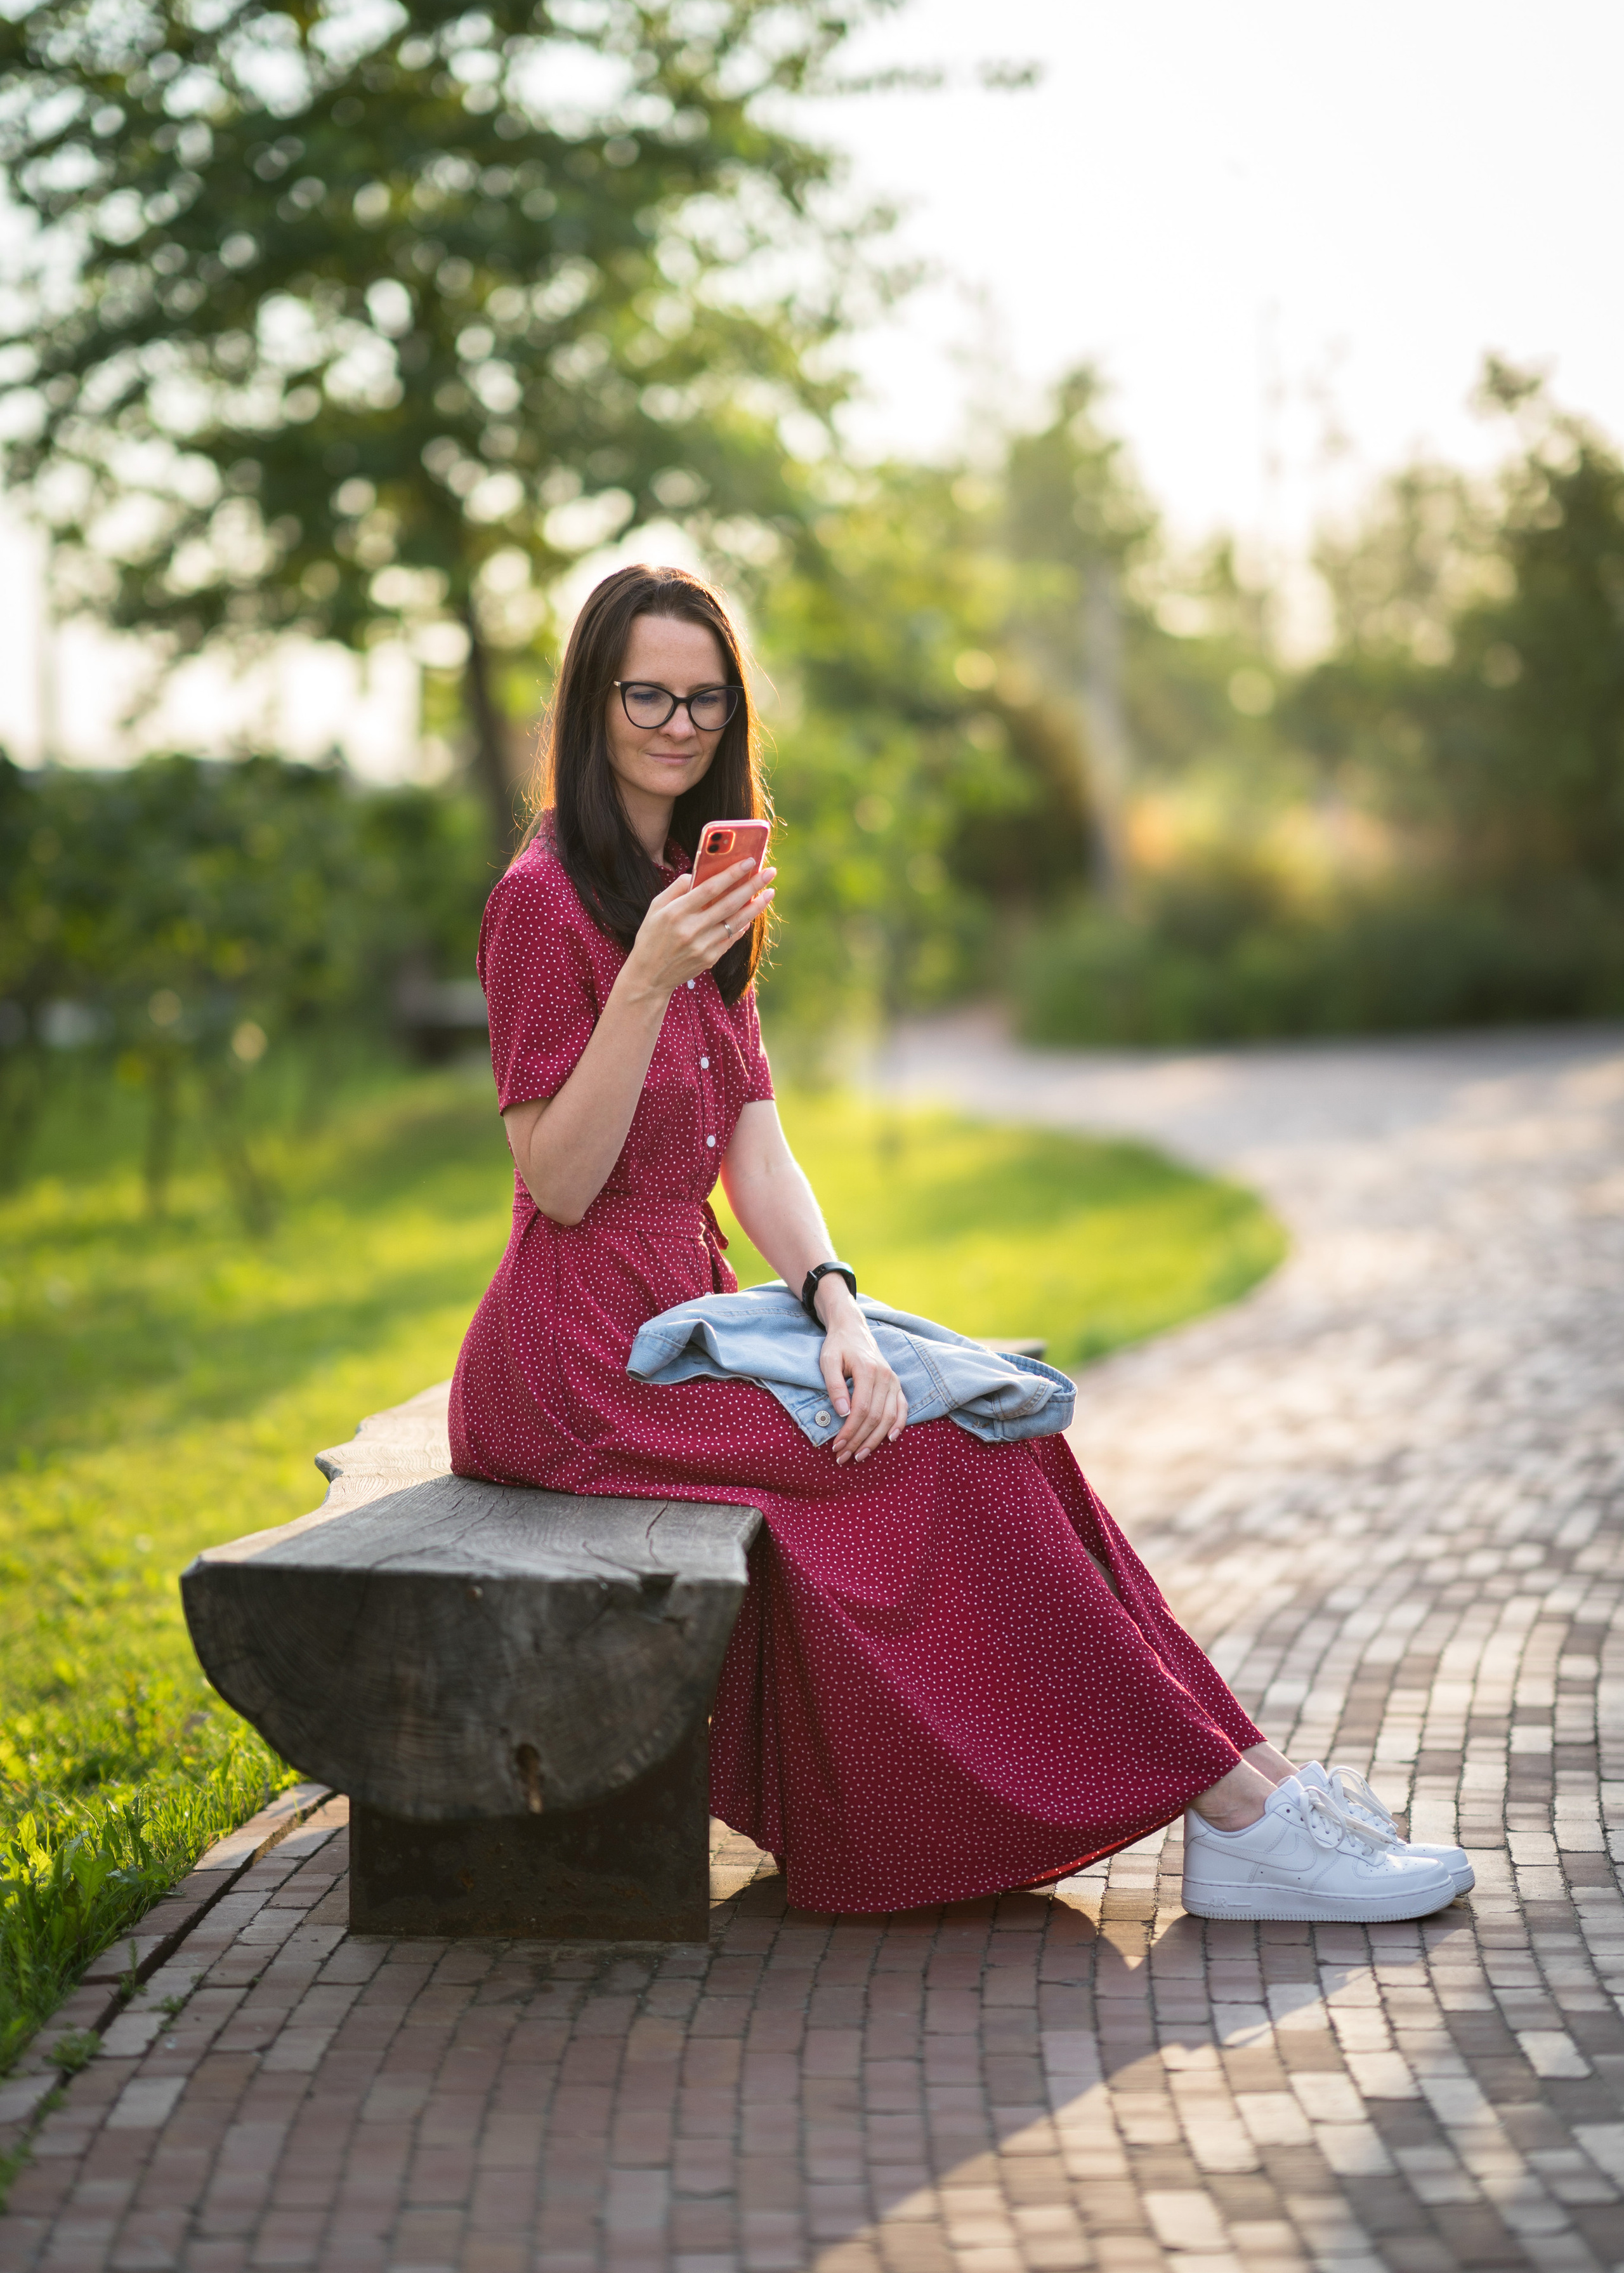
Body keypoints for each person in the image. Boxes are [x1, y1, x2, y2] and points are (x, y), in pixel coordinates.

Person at [449, 563, 1465, 1925]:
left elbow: (755, 1135)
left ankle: (1247, 1786)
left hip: (689, 1317)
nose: (678, 724)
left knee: (996, 1419)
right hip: (580, 1370)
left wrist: (836, 1307)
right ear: (591, 700)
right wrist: (644, 976)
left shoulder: (695, 879)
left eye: (705, 698)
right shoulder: (540, 901)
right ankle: (1232, 1811)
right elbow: (557, 1184)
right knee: (929, 1459)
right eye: (646, 693)